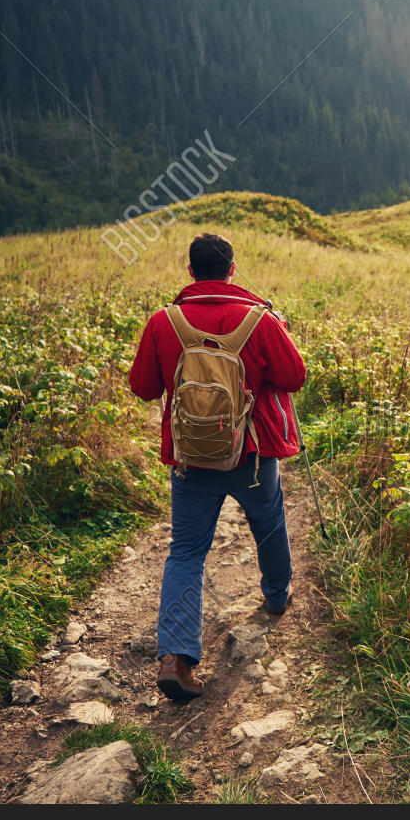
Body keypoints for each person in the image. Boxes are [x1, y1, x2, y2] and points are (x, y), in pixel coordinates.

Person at [128, 233, 307, 700]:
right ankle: (274, 595)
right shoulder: (260, 320)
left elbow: (144, 387)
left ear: (190, 272)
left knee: (186, 550)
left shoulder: (163, 322)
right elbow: (295, 377)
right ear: (232, 269)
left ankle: (175, 657)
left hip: (191, 458)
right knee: (268, 522)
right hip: (251, 453)